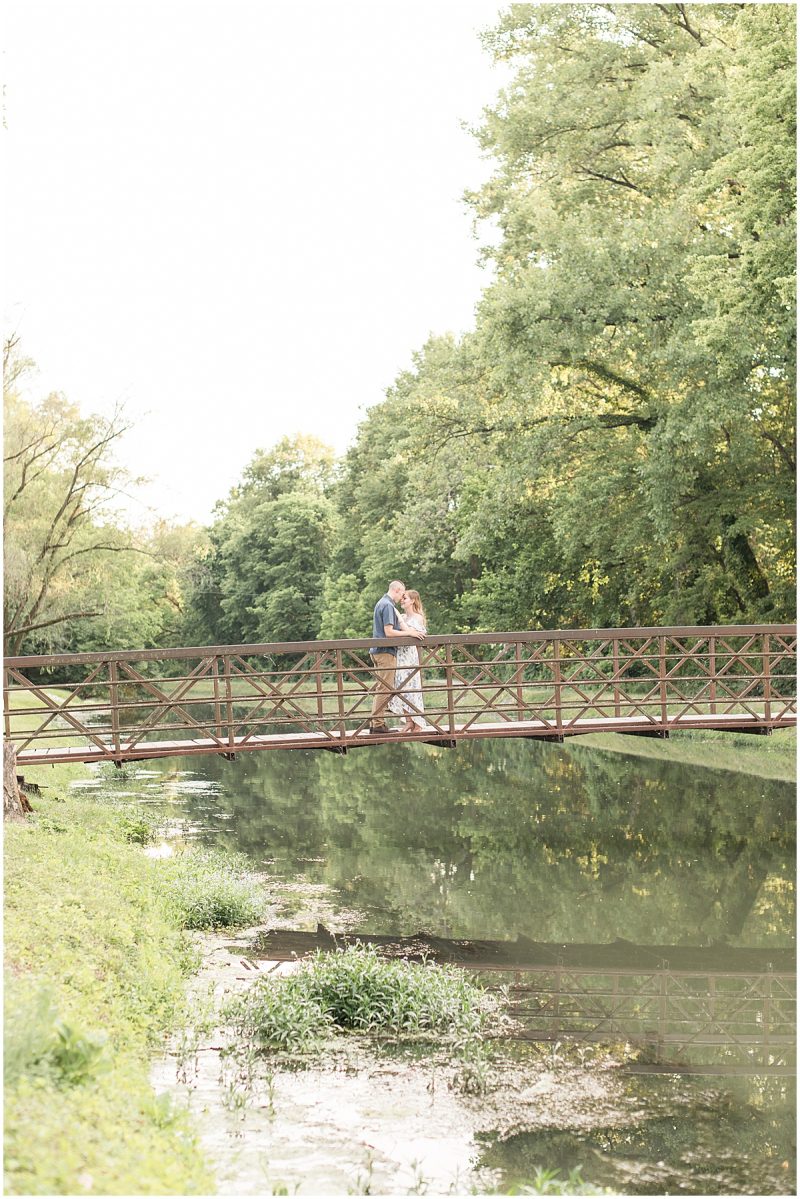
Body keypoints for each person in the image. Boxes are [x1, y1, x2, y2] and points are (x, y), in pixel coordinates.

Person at [368, 579, 424, 734]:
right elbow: (389, 632)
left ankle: (375, 724)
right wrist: (410, 633)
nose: (401, 598)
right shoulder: (387, 605)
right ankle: (378, 725)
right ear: (397, 590)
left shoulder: (382, 603)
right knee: (384, 689)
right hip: (385, 652)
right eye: (402, 594)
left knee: (382, 688)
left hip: (379, 651)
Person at [389, 590, 428, 732]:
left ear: (412, 601)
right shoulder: (403, 617)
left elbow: (411, 635)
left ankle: (418, 722)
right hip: (400, 655)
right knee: (401, 687)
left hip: (410, 656)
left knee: (412, 687)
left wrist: (399, 618)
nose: (402, 600)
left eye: (405, 598)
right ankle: (408, 721)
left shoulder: (417, 618)